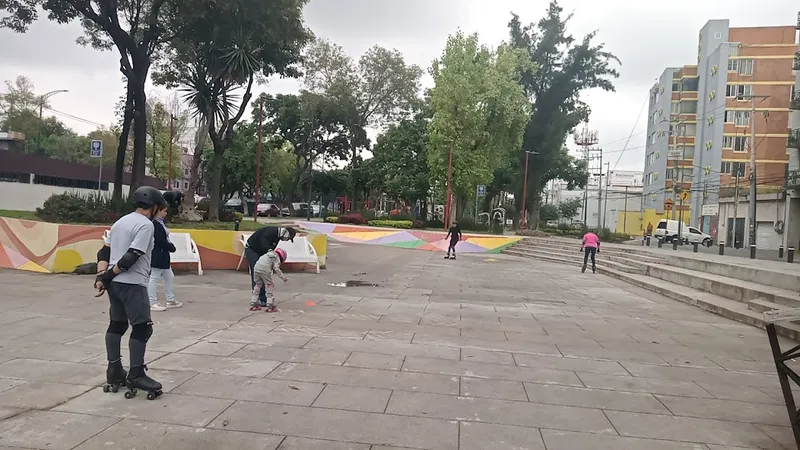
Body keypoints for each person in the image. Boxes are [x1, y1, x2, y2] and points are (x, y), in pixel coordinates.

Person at [95, 186, 165, 397]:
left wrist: (102, 275)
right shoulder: (146, 225)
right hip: (132, 283)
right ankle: (136, 373)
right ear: (153, 207)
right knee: (143, 328)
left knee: (117, 325)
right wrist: (108, 275)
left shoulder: (120, 222)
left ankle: (114, 370)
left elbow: (104, 250)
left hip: (114, 284)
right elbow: (132, 256)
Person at [245, 226, 296, 307]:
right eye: (288, 238)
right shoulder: (272, 231)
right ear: (286, 233)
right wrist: (269, 250)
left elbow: (270, 248)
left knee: (263, 273)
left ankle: (262, 298)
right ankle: (258, 298)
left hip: (260, 252)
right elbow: (263, 241)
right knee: (257, 272)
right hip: (252, 249)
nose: (287, 240)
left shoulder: (278, 237)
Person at [148, 205, 180, 312]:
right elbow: (160, 240)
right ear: (158, 211)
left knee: (169, 276)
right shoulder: (155, 224)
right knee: (154, 277)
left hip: (163, 254)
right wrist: (170, 247)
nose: (165, 213)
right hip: (158, 253)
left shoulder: (160, 223)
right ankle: (151, 302)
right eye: (164, 211)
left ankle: (170, 299)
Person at [249, 248, 289, 312]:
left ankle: (254, 301)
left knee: (258, 284)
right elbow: (276, 269)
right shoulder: (276, 258)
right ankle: (270, 303)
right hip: (265, 269)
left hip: (256, 267)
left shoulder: (267, 254)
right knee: (269, 285)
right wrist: (283, 277)